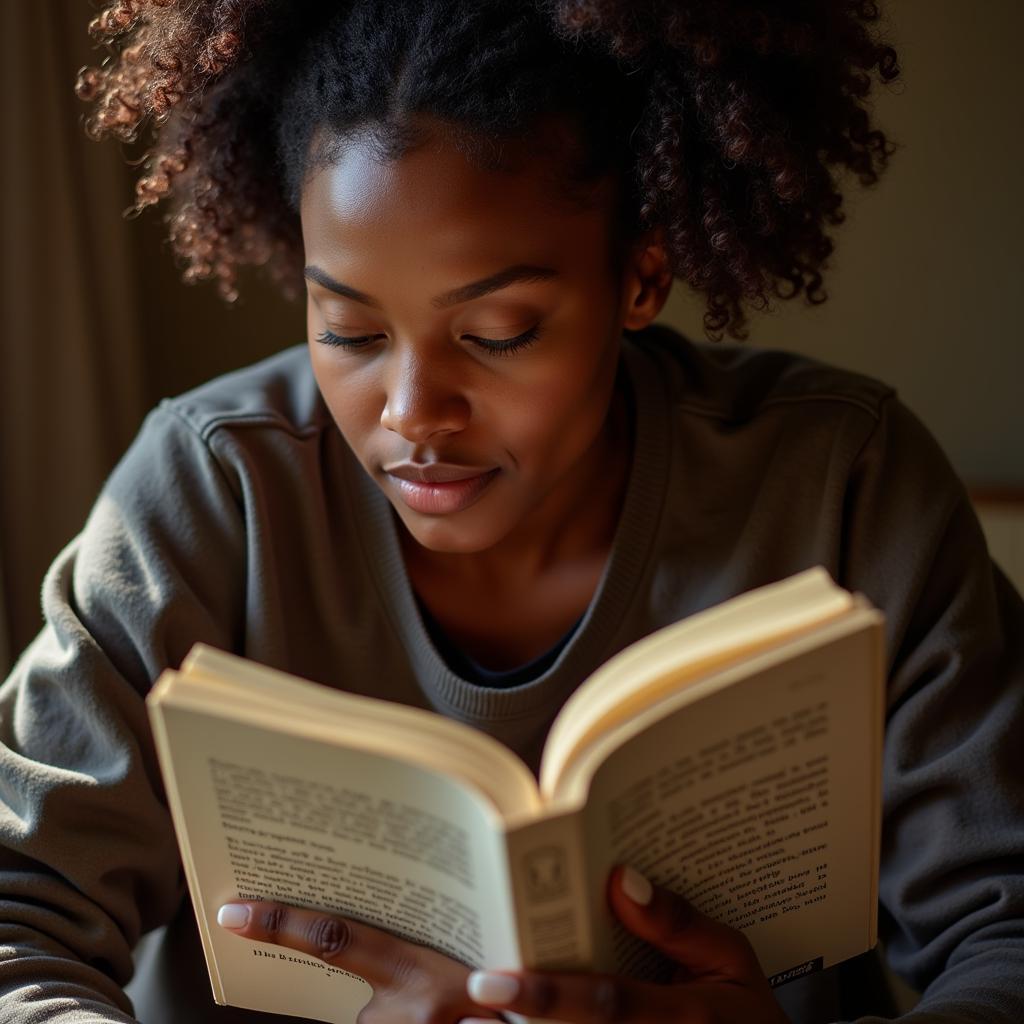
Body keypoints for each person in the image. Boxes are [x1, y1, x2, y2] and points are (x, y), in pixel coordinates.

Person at [1, 0, 1021, 1022]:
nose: (412, 415)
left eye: (497, 331)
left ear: (639, 277)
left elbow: (1005, 935)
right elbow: (17, 926)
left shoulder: (843, 485)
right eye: (347, 329)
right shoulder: (208, 497)